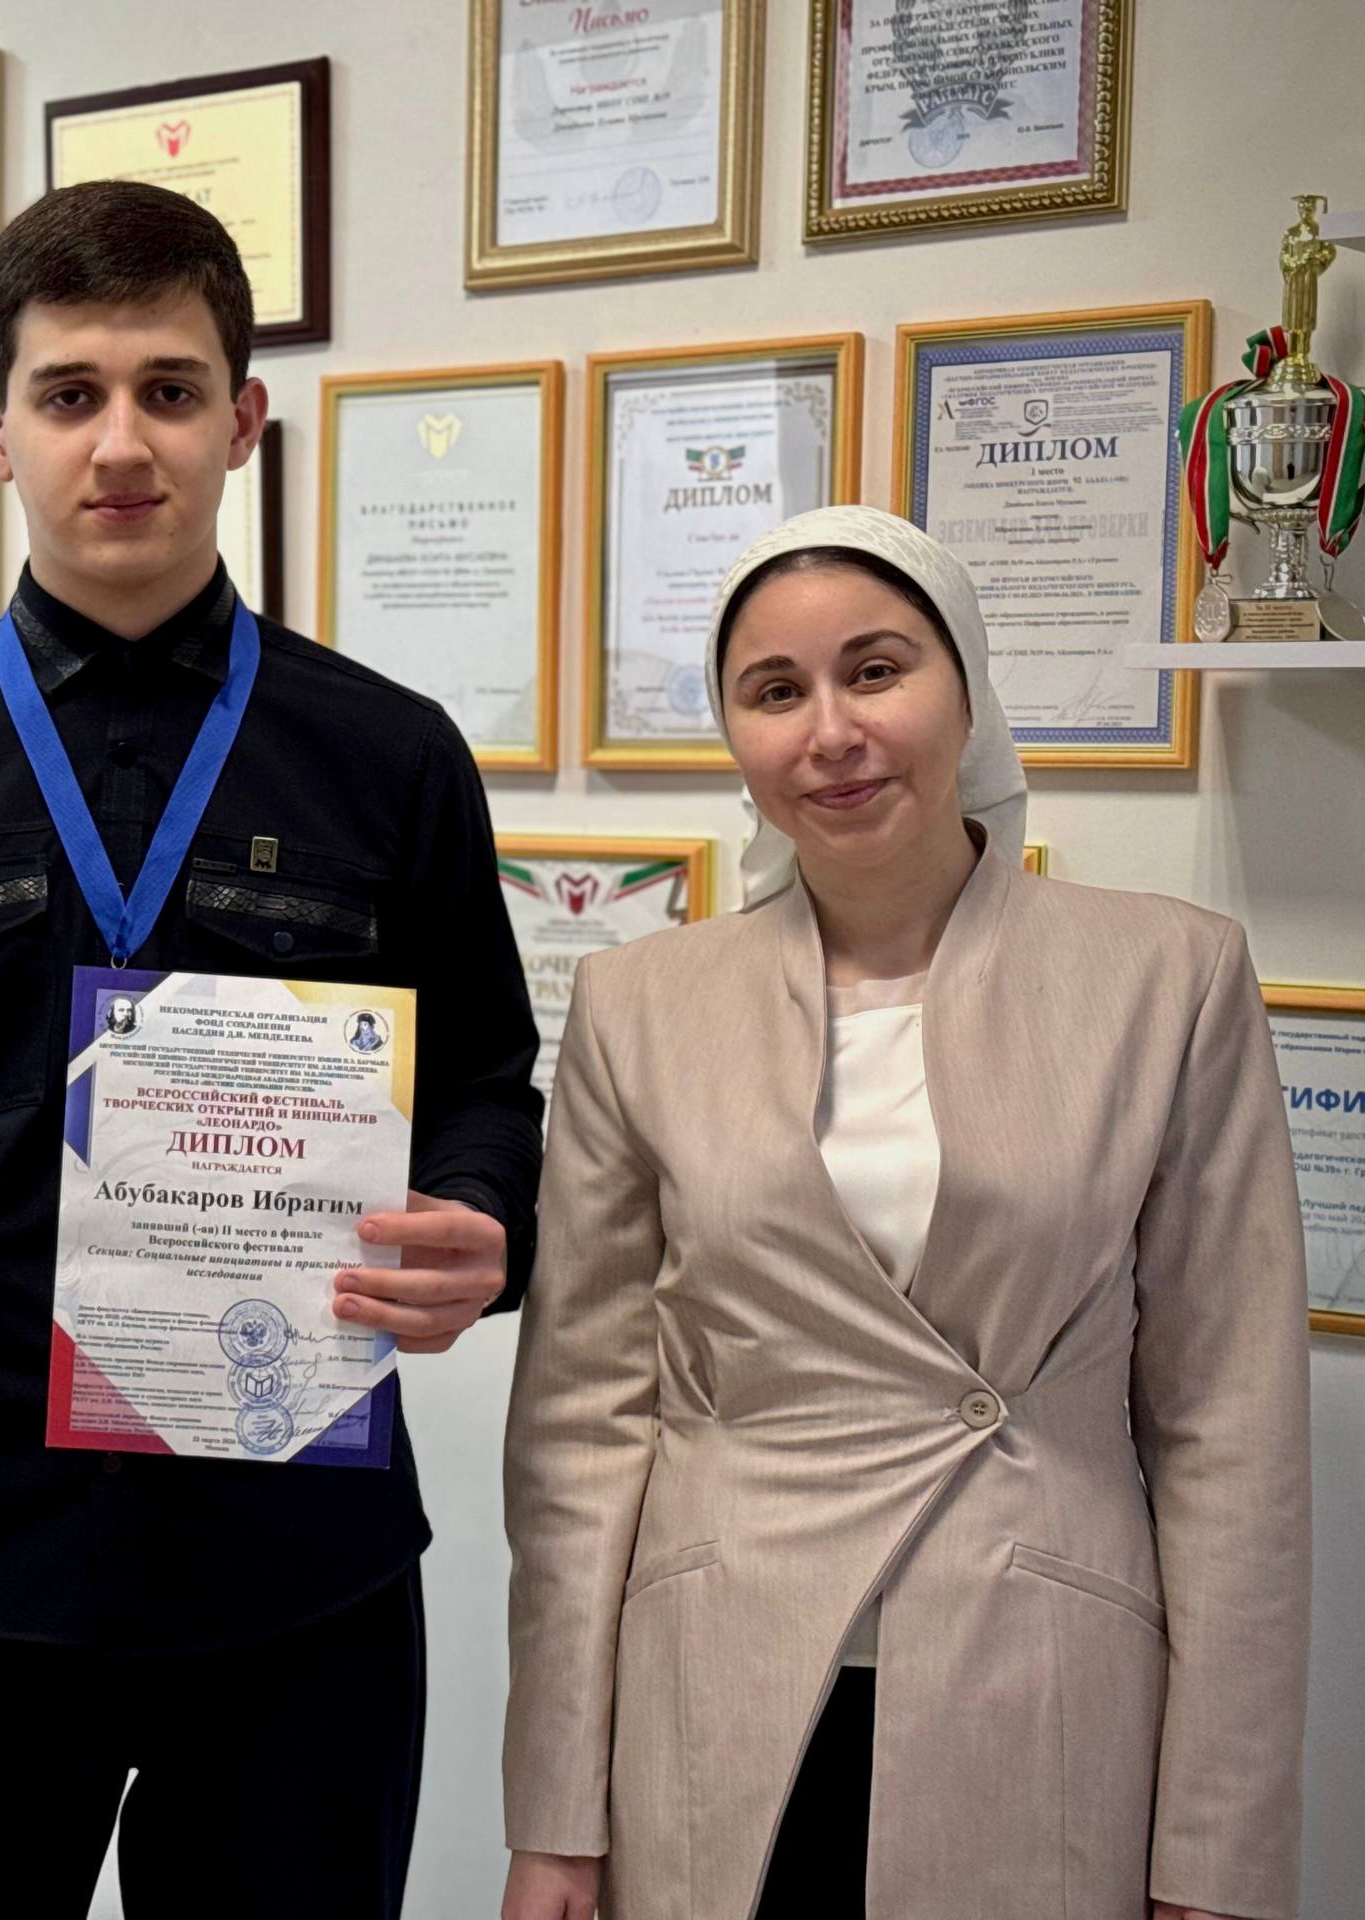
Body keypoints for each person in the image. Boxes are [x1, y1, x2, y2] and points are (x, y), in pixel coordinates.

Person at [0, 179, 544, 1917]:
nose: (122, 442)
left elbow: (482, 1079)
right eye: (70, 393)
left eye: (170, 389)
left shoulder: (391, 758)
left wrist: (480, 1218)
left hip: (294, 1579)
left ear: (244, 420)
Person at [498, 507, 1311, 1920]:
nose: (832, 732)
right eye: (776, 691)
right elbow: (582, 1427)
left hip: (1038, 1672)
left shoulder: (1164, 980)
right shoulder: (642, 1006)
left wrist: (1218, 1849)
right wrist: (556, 1813)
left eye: (876, 671)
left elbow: (1229, 1433)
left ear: (967, 687)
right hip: (719, 1683)